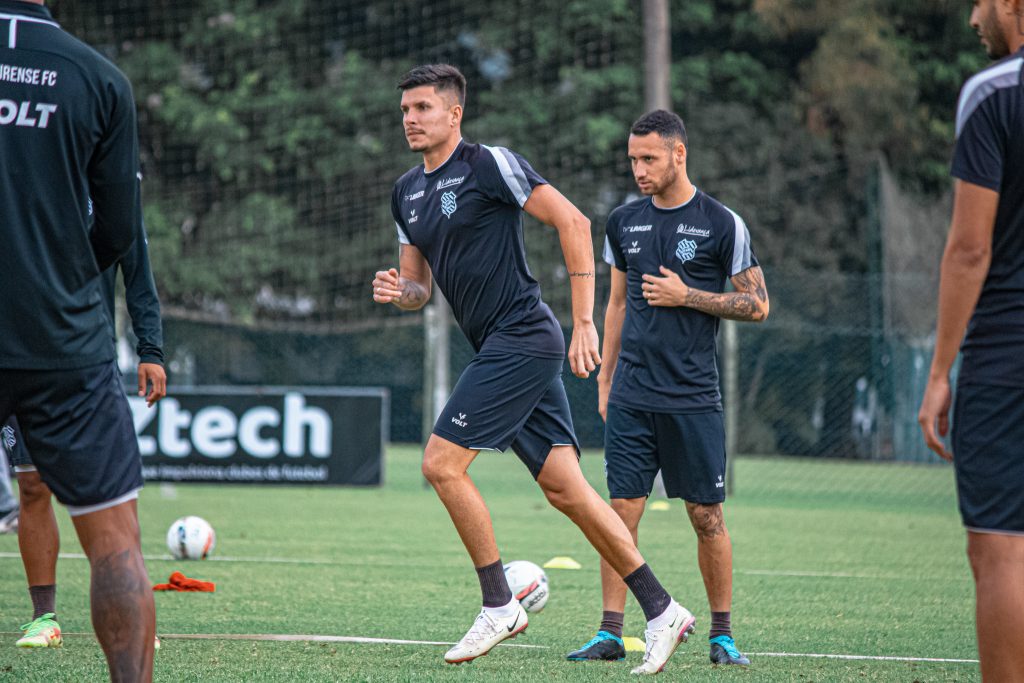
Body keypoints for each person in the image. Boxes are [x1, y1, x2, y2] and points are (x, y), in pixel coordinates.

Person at [373, 64, 695, 675]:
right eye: (405, 110)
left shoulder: (488, 164)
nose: (411, 119)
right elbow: (418, 286)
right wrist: (401, 291)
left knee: (440, 464)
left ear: (454, 114)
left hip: (524, 337)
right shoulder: (404, 192)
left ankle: (499, 603)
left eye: (422, 108)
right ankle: (662, 609)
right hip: (500, 345)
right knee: (566, 489)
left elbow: (574, 223)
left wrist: (584, 322)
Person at [566, 110, 768, 667]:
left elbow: (757, 304)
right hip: (631, 393)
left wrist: (690, 296)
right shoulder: (623, 221)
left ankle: (722, 636)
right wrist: (606, 378)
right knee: (618, 514)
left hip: (693, 398)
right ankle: (611, 632)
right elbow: (615, 303)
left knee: (707, 517)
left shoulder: (722, 222)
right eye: (633, 159)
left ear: (679, 154)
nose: (638, 169)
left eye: (648, 158)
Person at [0, 1, 156, 679]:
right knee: (115, 541)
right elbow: (123, 231)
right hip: (62, 340)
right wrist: (59, 277)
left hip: (57, 334)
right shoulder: (97, 77)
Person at [918, 1, 1024, 681]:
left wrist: (939, 371)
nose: (972, 18)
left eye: (981, 2)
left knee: (1001, 550)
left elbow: (968, 248)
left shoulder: (992, 94)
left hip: (1006, 353)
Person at [8, 224, 166, 649]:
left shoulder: (106, 187)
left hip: (87, 363)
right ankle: (45, 618)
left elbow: (138, 272)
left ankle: (132, 609)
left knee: (113, 496)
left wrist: (150, 349)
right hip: (17, 358)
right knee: (32, 485)